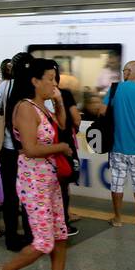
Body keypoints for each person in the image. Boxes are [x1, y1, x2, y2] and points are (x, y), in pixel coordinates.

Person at [0, 56, 83, 270]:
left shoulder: (43, 105)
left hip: (50, 179)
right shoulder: (24, 108)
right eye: (50, 79)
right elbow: (30, 148)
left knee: (61, 234)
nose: (54, 84)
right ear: (34, 81)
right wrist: (62, 147)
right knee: (43, 241)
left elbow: (63, 124)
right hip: (34, 180)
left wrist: (59, 101)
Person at [102, 60, 135, 228]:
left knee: (117, 182)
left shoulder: (114, 90)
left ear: (127, 72)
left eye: (124, 70)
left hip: (117, 148)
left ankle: (118, 218)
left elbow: (101, 113)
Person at [0, 54, 26, 245]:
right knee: (29, 193)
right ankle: (31, 234)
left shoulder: (5, 86)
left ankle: (11, 237)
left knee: (11, 194)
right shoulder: (34, 87)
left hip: (8, 150)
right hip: (30, 152)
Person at [45, 70, 82, 238]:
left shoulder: (34, 99)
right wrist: (74, 129)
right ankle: (63, 222)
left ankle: (54, 220)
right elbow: (76, 118)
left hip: (46, 147)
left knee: (51, 185)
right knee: (63, 183)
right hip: (63, 145)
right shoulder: (64, 94)